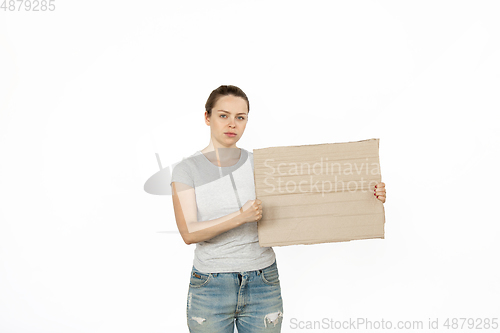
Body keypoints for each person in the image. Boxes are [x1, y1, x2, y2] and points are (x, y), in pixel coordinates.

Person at [170, 85, 387, 333]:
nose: (232, 124)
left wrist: (364, 194)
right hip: (211, 284)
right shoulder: (187, 170)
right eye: (223, 115)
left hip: (262, 280)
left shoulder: (263, 165)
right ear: (207, 117)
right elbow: (189, 232)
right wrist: (239, 218)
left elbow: (310, 195)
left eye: (240, 117)